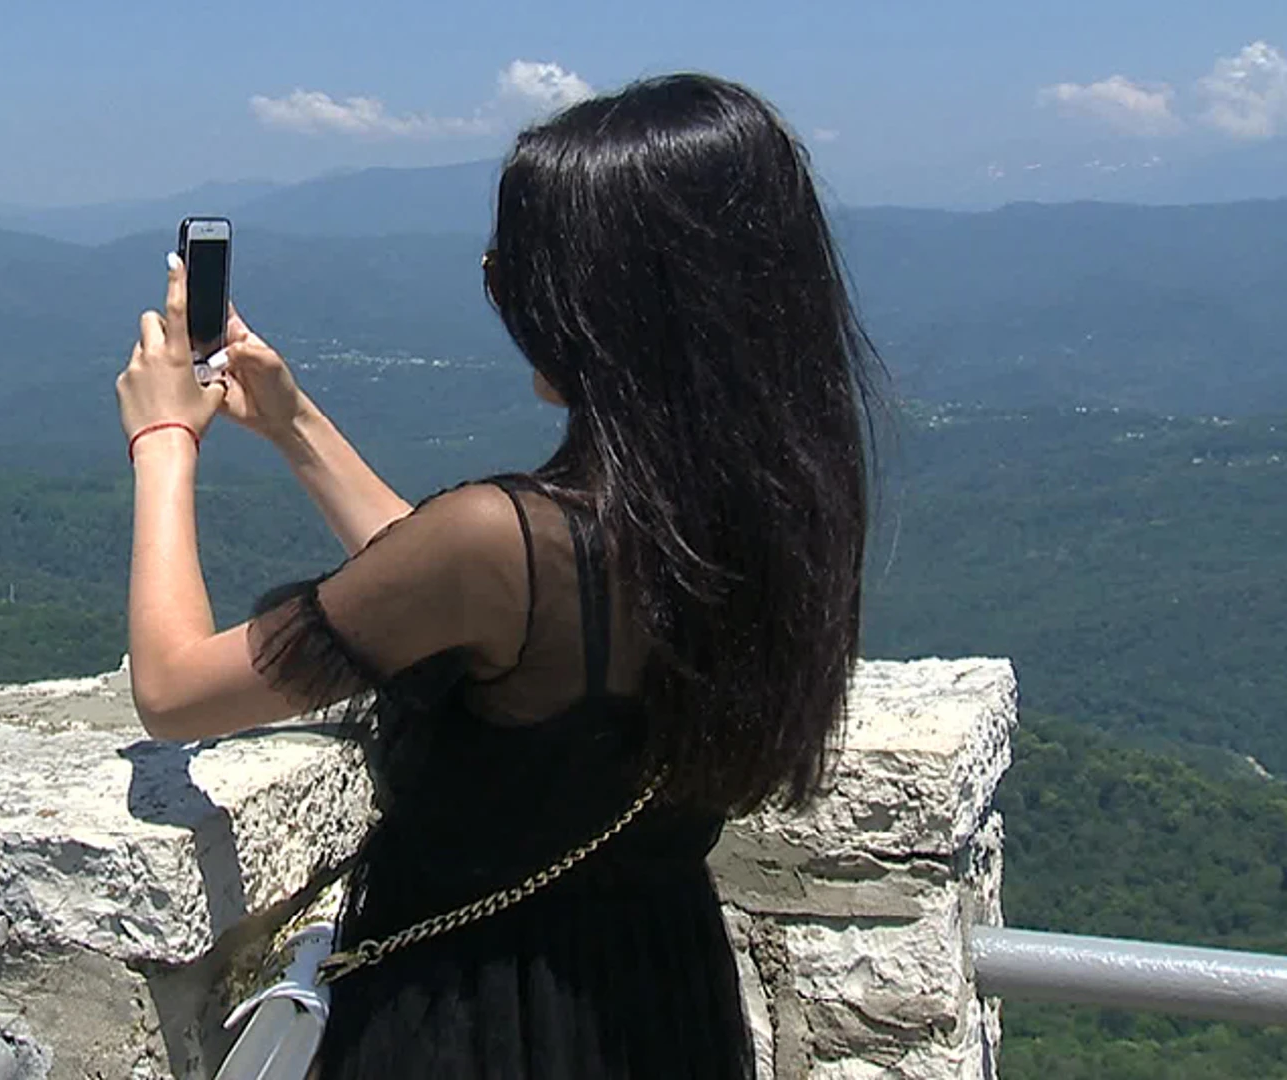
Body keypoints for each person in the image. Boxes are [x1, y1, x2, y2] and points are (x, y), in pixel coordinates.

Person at [114, 72, 879, 1080]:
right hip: (661, 994)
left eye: (519, 264)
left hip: (469, 1015)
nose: (495, 279)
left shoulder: (505, 546)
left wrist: (165, 439)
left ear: (603, 303)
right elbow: (462, 597)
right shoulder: (759, 514)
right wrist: (297, 427)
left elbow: (174, 691)